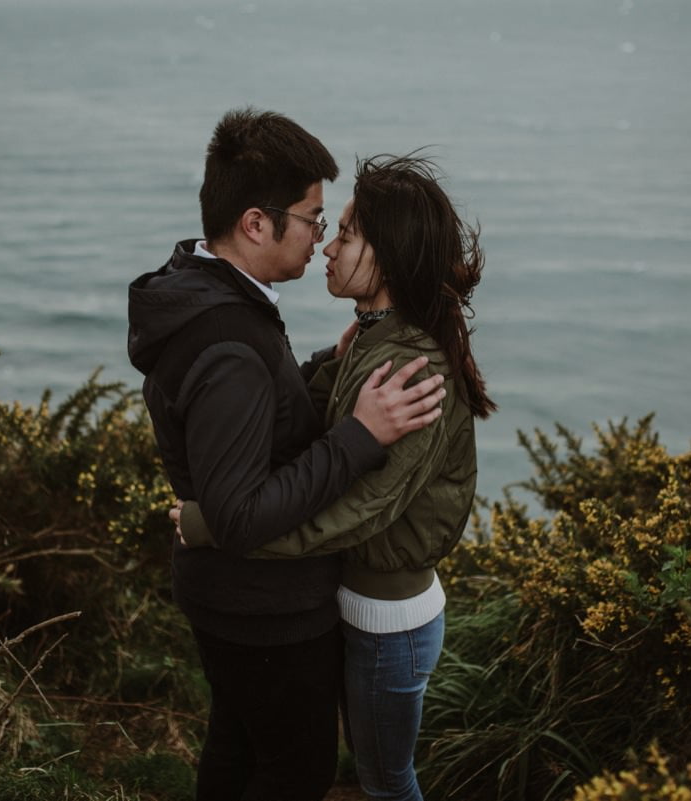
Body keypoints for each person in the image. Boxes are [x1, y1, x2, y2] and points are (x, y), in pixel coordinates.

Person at [126, 110, 446, 801]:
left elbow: (246, 417)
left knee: (237, 746)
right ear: (254, 223)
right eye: (311, 219)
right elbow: (242, 515)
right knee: (295, 770)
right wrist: (359, 435)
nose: (320, 238)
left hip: (227, 600)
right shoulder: (232, 343)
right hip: (265, 610)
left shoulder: (198, 289)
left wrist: (316, 370)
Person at [174, 153, 495, 801]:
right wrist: (330, 360)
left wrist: (217, 526)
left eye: (347, 233)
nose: (326, 245)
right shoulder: (380, 335)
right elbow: (324, 425)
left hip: (388, 619)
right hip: (361, 604)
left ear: (391, 254)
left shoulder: (412, 369)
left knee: (384, 781)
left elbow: (356, 511)